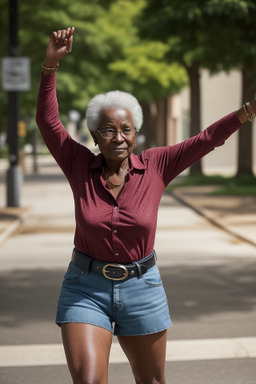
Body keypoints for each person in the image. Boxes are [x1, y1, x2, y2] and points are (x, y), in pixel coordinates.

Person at [36, 27, 256, 384]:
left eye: (126, 129)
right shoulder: (78, 164)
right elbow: (49, 123)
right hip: (85, 287)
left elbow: (206, 140)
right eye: (108, 130)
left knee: (151, 382)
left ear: (136, 133)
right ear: (95, 135)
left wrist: (248, 110)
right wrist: (50, 67)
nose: (118, 137)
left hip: (142, 286)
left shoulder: (157, 164)